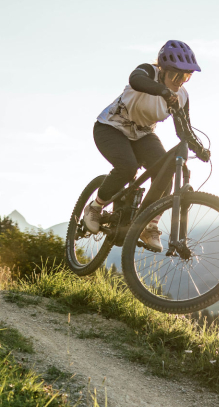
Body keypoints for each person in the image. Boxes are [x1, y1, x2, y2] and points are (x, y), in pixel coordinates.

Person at [83, 40, 202, 251]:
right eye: (176, 75)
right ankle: (95, 207)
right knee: (127, 168)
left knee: (166, 171)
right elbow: (135, 80)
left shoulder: (182, 96)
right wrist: (163, 92)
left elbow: (183, 129)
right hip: (111, 128)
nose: (180, 82)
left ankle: (149, 225)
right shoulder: (147, 73)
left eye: (186, 76)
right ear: (163, 70)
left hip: (143, 135)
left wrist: (198, 148)